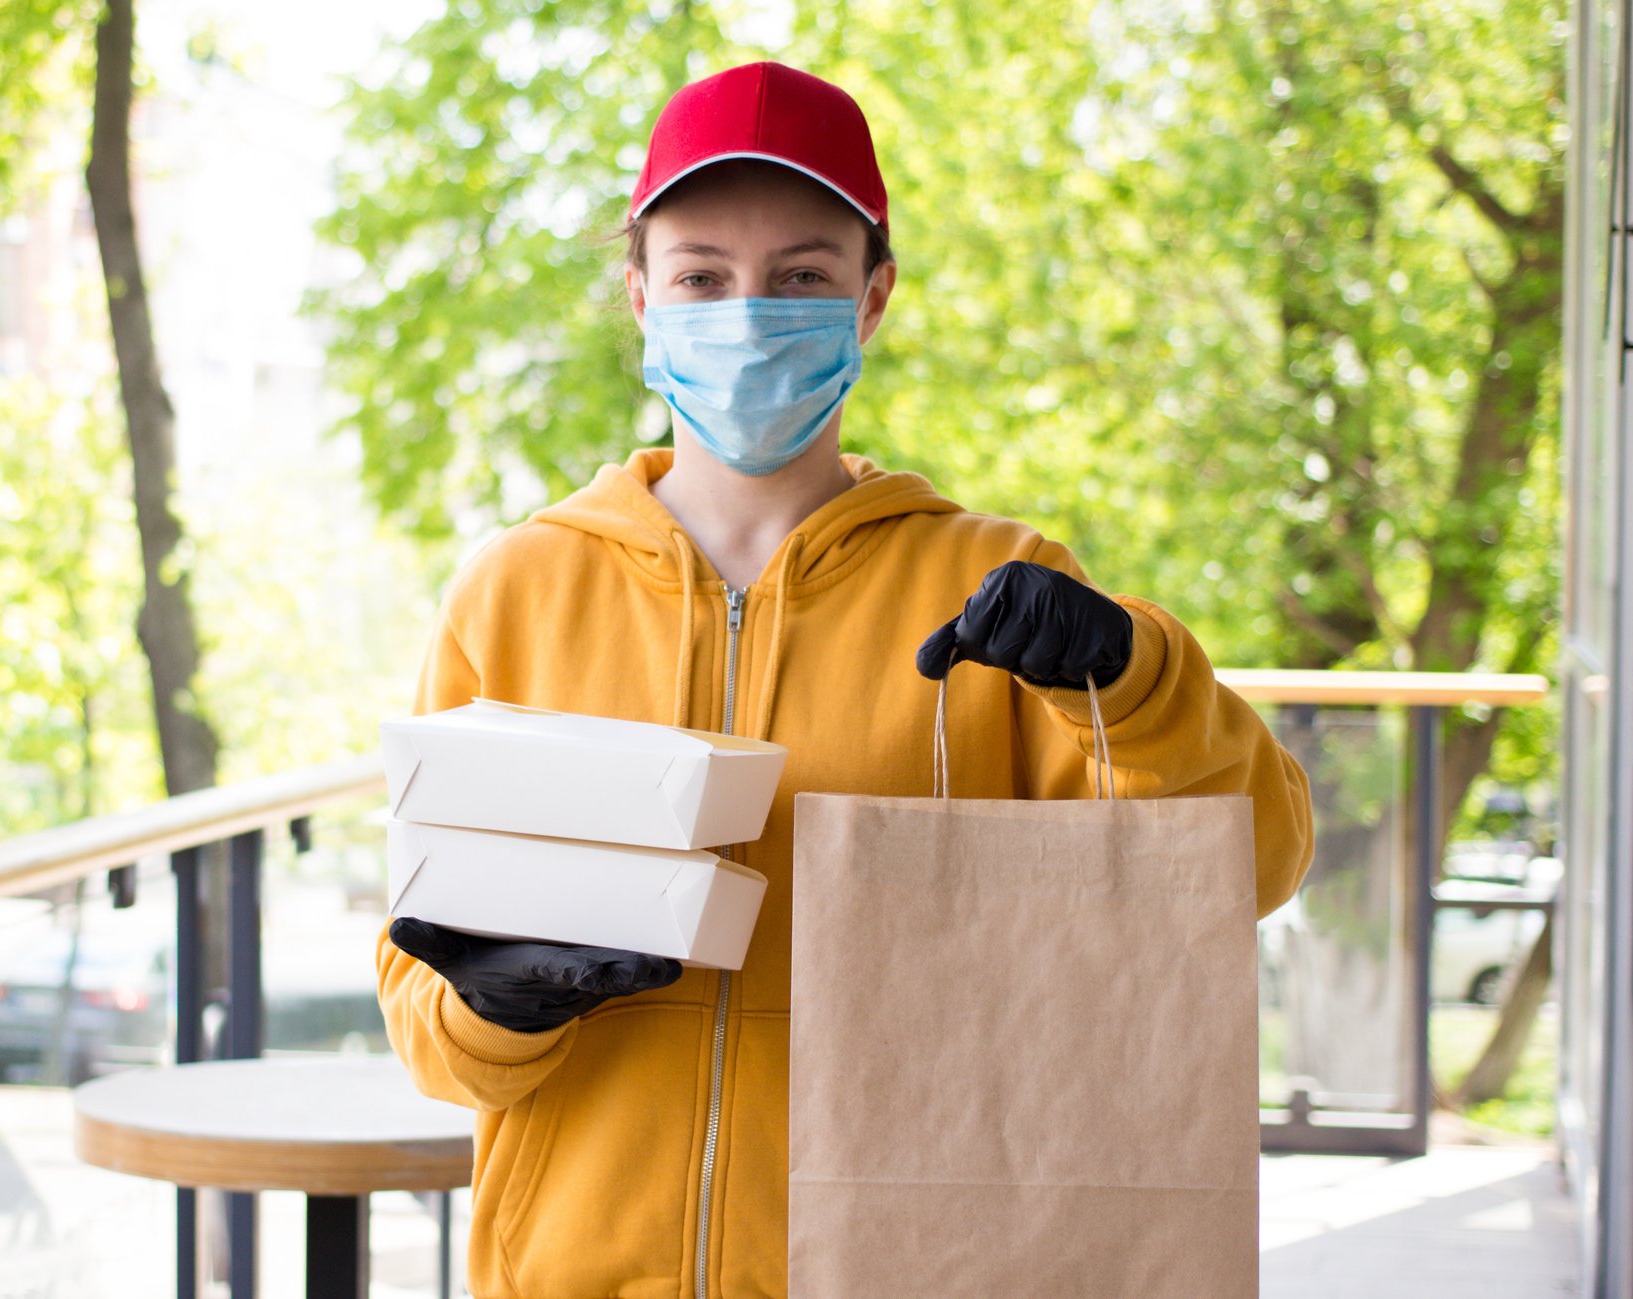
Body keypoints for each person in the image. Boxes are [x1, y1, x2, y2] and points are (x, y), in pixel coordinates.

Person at [375, 60, 1313, 1299]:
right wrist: (496, 1007)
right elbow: (427, 1029)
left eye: (801, 277)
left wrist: (1137, 680)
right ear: (641, 296)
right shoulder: (516, 592)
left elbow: (1245, 871)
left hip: (910, 1264)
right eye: (702, 276)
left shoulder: (1002, 583)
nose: (747, 311)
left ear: (870, 300)